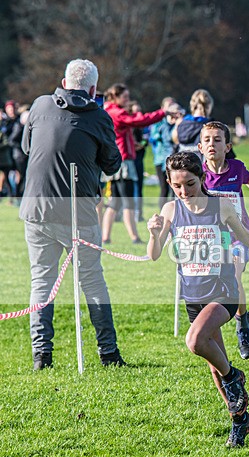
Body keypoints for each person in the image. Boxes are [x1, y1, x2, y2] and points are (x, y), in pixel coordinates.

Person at [146, 151, 249, 447]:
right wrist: (154, 233)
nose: (184, 191)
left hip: (223, 291)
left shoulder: (219, 206)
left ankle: (234, 376)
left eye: (190, 184)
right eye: (177, 186)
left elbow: (245, 235)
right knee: (213, 364)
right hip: (194, 295)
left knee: (195, 341)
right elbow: (154, 254)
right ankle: (240, 421)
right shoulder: (172, 210)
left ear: (201, 178)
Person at [20, 58, 126, 370]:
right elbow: (113, 164)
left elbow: (28, 148)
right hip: (78, 213)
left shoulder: (39, 106)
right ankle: (108, 353)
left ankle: (42, 356)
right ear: (94, 90)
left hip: (37, 209)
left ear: (64, 82)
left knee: (41, 283)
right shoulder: (99, 117)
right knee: (92, 283)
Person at [198, 121, 249, 359]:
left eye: (217, 140)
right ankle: (237, 318)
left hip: (239, 237)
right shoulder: (198, 175)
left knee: (234, 276)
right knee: (215, 287)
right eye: (207, 140)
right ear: (200, 146)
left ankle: (242, 326)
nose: (212, 144)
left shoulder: (236, 168)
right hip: (211, 240)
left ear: (227, 146)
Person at [101, 83, 167, 244]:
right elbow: (139, 121)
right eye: (125, 97)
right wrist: (163, 113)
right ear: (115, 97)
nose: (127, 100)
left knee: (115, 201)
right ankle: (134, 237)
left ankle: (105, 237)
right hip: (123, 163)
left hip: (116, 161)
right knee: (128, 200)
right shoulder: (117, 112)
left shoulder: (108, 110)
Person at [149, 97, 182, 209]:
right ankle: (164, 214)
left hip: (175, 160)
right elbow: (160, 138)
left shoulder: (179, 123)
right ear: (163, 108)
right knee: (164, 189)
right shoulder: (159, 124)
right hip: (161, 160)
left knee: (175, 189)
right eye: (169, 106)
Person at [173, 89, 220, 157]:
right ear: (209, 106)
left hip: (183, 164)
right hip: (202, 165)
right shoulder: (211, 126)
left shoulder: (180, 124)